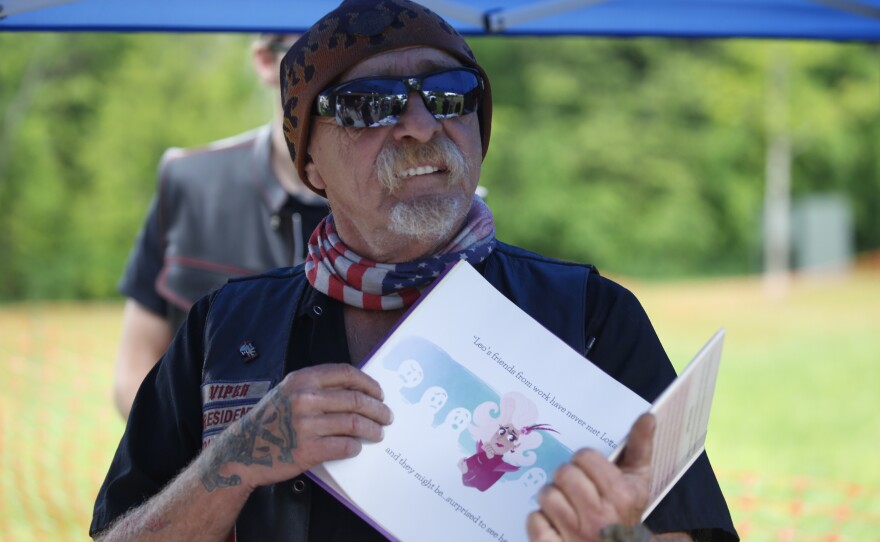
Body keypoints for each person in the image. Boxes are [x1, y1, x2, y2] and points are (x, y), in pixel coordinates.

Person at [91, 1, 739, 540]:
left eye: (450, 95)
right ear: (310, 163)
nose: (420, 125)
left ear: (480, 134)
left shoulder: (590, 314)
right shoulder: (224, 328)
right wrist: (234, 460)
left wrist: (622, 537)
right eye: (368, 105)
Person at [112, 34, 328, 418]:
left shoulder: (419, 208)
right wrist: (215, 464)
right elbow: (134, 372)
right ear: (265, 61)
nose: (340, 68)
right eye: (315, 51)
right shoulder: (190, 182)